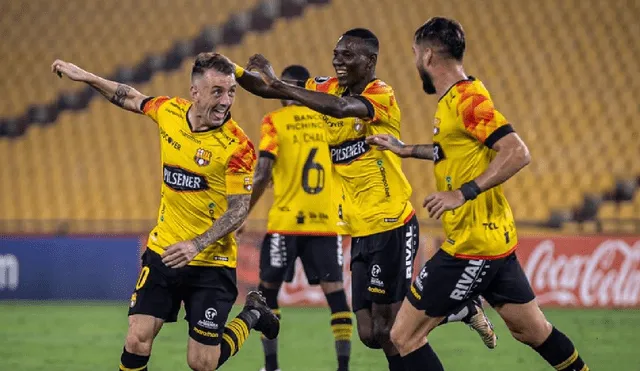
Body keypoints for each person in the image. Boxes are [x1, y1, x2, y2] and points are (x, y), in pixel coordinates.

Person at [232, 28, 496, 371]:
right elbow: (264, 87)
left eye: (347, 55)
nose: (338, 60)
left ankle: (456, 305)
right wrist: (230, 69)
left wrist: (280, 84)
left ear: (370, 61)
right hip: (358, 229)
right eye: (336, 53)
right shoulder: (326, 87)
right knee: (371, 334)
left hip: (392, 223)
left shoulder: (381, 94)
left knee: (394, 332)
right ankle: (458, 306)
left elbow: (342, 109)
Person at [367, 17, 590, 371]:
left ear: (427, 57)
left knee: (402, 337)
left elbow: (517, 152)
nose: (413, 62)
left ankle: (463, 307)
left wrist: (463, 193)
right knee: (532, 330)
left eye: (413, 54)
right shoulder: (454, 100)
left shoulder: (467, 99)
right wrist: (407, 150)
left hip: (470, 246)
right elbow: (453, 152)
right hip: (495, 241)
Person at [51, 52, 280, 371]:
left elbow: (239, 209)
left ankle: (253, 313)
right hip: (164, 250)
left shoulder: (237, 146)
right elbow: (130, 96)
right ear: (195, 92)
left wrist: (196, 244)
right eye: (217, 92)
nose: (226, 101)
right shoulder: (169, 111)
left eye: (231, 92)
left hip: (211, 261)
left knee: (202, 363)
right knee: (137, 338)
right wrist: (87, 76)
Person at [245, 64, 353, 371]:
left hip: (286, 223)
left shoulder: (275, 121)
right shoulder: (326, 119)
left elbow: (263, 171)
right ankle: (343, 368)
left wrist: (242, 215)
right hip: (326, 225)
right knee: (337, 299)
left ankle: (272, 366)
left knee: (267, 296)